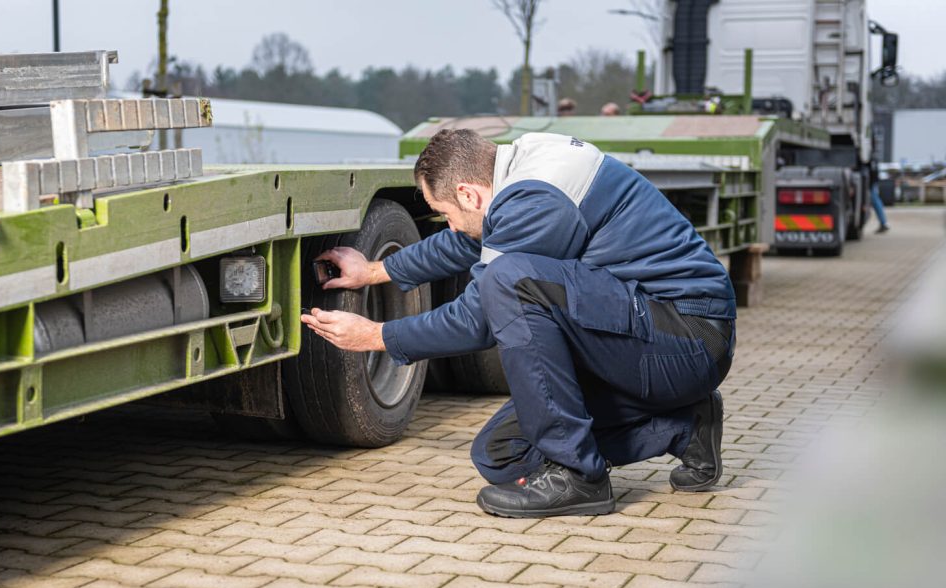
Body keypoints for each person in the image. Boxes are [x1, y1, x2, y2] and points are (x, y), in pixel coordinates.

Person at [301, 129, 736, 519]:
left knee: (509, 282)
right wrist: (374, 271)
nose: (450, 225)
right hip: (640, 335)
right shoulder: (519, 169)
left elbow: (477, 319)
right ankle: (686, 424)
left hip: (689, 336)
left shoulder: (539, 198)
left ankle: (578, 477)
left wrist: (376, 335)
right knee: (501, 455)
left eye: (445, 212)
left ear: (469, 194)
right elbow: (467, 243)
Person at [870, 169, 890, 233]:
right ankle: (883, 223)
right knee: (875, 200)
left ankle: (883, 223)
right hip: (872, 179)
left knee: (875, 200)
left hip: (870, 180)